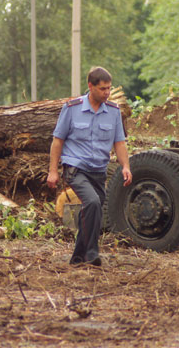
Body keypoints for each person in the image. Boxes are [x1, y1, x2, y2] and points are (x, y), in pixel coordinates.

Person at [47, 66, 132, 266]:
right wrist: (52, 171)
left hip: (98, 171)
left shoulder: (113, 112)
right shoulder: (71, 109)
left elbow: (119, 143)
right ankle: (92, 253)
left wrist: (126, 166)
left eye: (109, 88)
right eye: (103, 89)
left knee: (92, 210)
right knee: (93, 203)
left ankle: (77, 257)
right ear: (90, 86)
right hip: (75, 168)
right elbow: (57, 141)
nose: (107, 93)